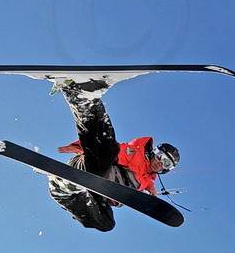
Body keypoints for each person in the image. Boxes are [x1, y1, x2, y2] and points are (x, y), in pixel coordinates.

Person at [47, 80, 180, 231]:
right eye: (161, 157)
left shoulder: (146, 180)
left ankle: (69, 195)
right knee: (109, 151)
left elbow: (145, 178)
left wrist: (150, 187)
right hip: (87, 167)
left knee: (107, 224)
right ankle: (83, 98)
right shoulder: (135, 152)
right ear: (154, 151)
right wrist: (79, 146)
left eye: (166, 164)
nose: (160, 163)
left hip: (86, 191)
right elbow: (103, 147)